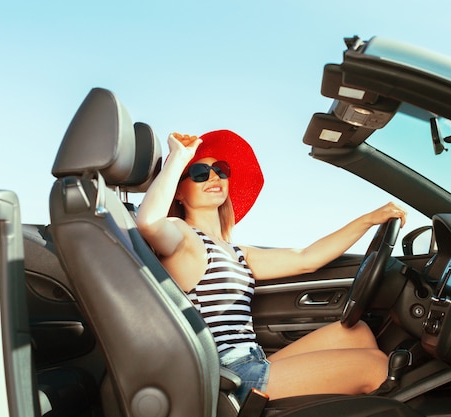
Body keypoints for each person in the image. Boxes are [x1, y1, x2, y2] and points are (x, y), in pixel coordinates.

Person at [136, 129, 407, 403]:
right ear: (179, 193)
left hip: (252, 360)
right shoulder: (182, 234)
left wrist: (369, 219)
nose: (214, 177)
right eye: (198, 173)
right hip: (229, 376)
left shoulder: (236, 252)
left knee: (355, 332)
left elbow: (307, 258)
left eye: (220, 169)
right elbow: (149, 223)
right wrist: (178, 158)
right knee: (374, 367)